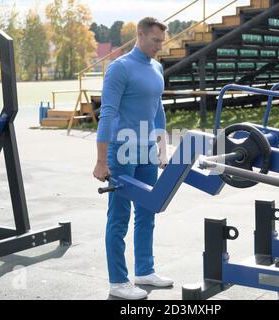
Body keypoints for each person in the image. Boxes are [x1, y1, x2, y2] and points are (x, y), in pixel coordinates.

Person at [93, 17, 173, 300]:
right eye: (155, 41)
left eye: (162, 42)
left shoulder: (157, 67)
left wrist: (163, 148)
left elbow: (157, 110)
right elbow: (107, 114)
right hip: (122, 150)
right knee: (119, 217)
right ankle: (118, 281)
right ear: (139, 35)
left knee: (148, 211)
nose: (159, 46)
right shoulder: (120, 68)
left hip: (147, 150)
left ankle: (144, 270)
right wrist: (101, 160)